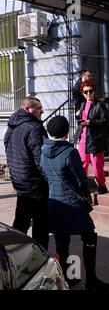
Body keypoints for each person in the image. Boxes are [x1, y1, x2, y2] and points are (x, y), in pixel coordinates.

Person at [40, 116, 109, 290]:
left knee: (61, 242)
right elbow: (81, 179)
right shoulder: (69, 152)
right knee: (89, 236)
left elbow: (44, 176)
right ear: (66, 132)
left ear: (49, 132)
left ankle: (67, 277)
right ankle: (91, 280)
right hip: (73, 204)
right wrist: (87, 197)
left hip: (54, 203)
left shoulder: (42, 151)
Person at [4, 96, 49, 250]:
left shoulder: (12, 125)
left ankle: (12, 250)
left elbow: (8, 150)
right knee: (40, 223)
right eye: (39, 108)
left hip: (20, 181)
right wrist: (49, 179)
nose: (42, 111)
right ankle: (40, 254)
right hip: (34, 183)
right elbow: (41, 159)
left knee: (21, 219)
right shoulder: (34, 128)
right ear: (28, 109)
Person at [74, 81, 109, 194]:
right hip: (83, 138)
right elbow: (81, 120)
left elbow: (105, 122)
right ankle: (82, 186)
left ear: (94, 92)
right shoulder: (82, 105)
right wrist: (78, 116)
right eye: (86, 92)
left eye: (91, 91)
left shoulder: (100, 105)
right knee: (82, 163)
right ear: (83, 93)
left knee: (97, 164)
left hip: (95, 139)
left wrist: (91, 122)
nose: (88, 93)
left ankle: (101, 185)